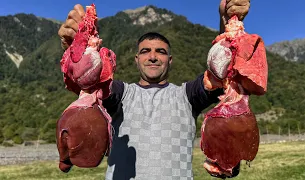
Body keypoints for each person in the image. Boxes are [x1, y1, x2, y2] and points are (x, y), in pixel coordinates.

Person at [58, 0, 250, 179]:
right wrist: (77, 48)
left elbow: (222, 72)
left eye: (161, 52)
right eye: (145, 51)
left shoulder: (187, 95)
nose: (152, 57)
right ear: (136, 59)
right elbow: (93, 83)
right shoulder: (120, 94)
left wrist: (227, 25)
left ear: (170, 60)